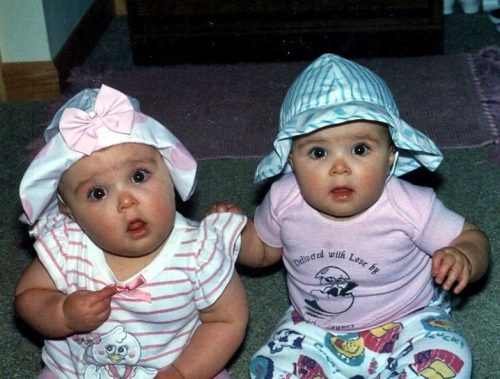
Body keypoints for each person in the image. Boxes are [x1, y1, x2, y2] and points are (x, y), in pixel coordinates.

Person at [211, 54, 490, 378]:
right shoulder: (284, 200)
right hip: (313, 327)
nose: (339, 168)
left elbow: (473, 237)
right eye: (318, 152)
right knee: (273, 367)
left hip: (409, 321)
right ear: (291, 159)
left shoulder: (409, 205)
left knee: (448, 360)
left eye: (359, 149)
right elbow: (262, 250)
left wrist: (464, 256)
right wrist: (232, 233)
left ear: (391, 156)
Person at [16, 84, 248, 379]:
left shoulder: (198, 252)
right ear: (70, 212)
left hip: (178, 365)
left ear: (169, 173)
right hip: (78, 370)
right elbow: (28, 295)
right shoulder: (67, 246)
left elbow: (228, 320)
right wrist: (61, 312)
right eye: (98, 193)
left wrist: (182, 371)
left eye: (139, 176)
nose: (126, 201)